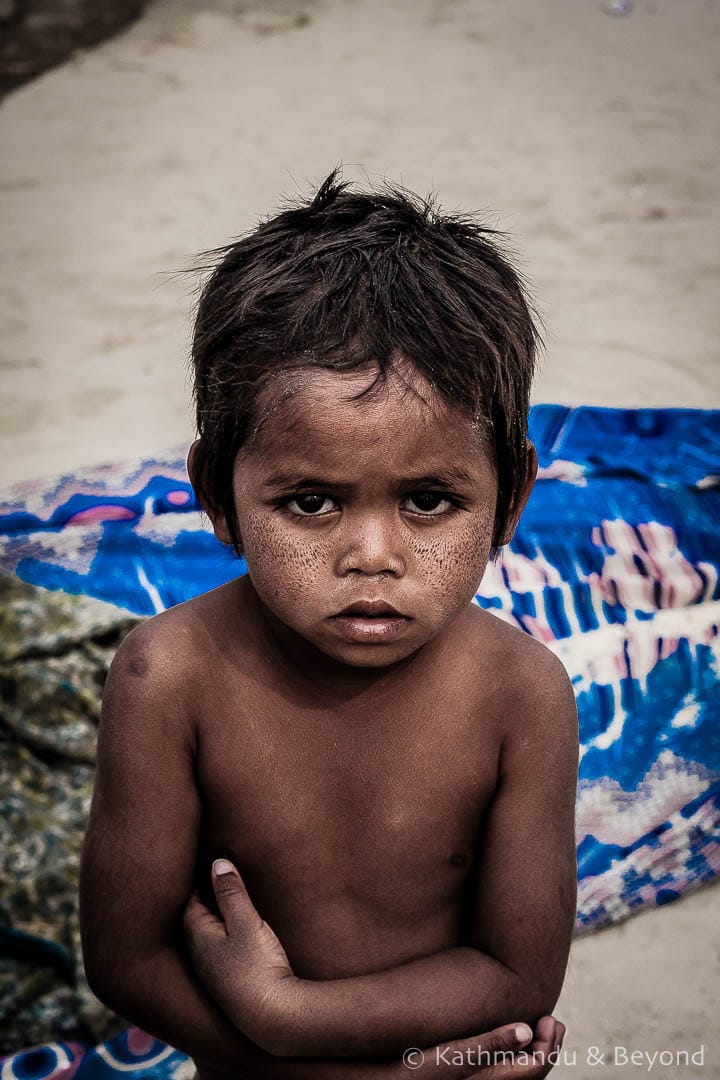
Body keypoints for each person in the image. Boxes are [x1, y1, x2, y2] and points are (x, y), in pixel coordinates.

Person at [79, 170, 579, 1080]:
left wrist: (293, 1016)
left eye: (430, 500)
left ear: (509, 501)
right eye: (310, 501)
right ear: (216, 498)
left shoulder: (521, 693)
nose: (373, 555)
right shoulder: (169, 676)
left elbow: (519, 972)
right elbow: (127, 955)